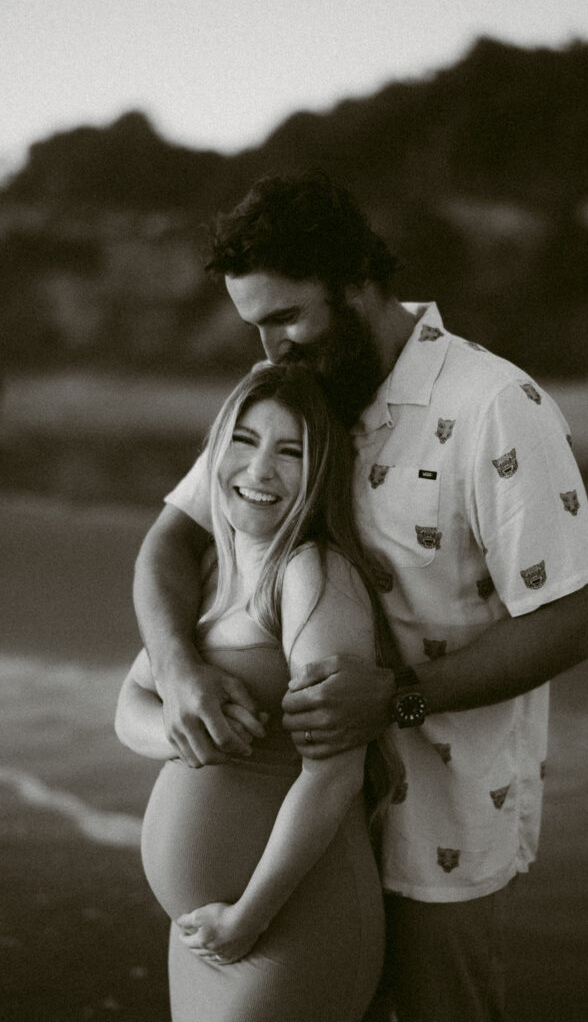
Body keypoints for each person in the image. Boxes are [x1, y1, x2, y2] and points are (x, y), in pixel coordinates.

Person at [133, 172, 588, 1022]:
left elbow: (571, 619)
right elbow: (172, 538)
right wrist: (176, 672)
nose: (271, 347)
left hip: (439, 817)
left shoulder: (494, 405)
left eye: (286, 316)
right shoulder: (296, 397)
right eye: (256, 325)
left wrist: (396, 699)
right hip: (292, 817)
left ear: (355, 282)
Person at [116, 361, 398, 1022]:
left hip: (286, 923)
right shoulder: (214, 564)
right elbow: (127, 707)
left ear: (319, 471)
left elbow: (333, 779)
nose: (259, 468)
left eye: (289, 451)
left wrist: (249, 916)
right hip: (204, 931)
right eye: (244, 441)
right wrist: (191, 731)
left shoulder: (310, 573)